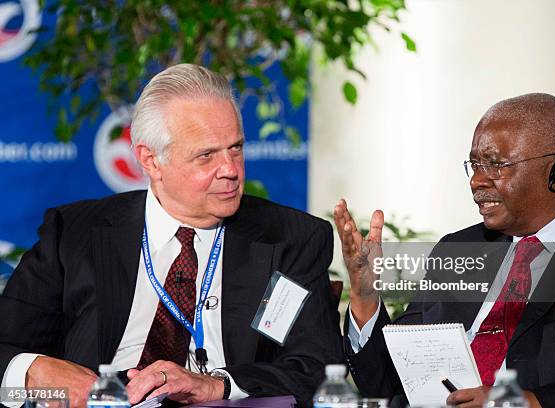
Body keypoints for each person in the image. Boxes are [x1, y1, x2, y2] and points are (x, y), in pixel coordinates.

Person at [0, 64, 343, 408]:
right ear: (150, 160)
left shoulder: (291, 238)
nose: (230, 170)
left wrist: (218, 384)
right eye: (206, 155)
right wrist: (34, 370)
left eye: (236, 148)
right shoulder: (75, 233)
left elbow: (317, 367)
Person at [334, 93, 555, 407]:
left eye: (496, 165)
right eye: (475, 165)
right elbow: (384, 383)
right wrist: (365, 293)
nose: (477, 181)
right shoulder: (457, 251)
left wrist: (531, 402)